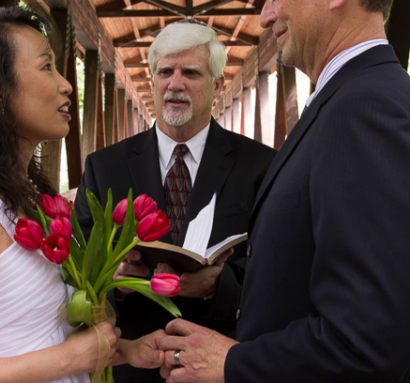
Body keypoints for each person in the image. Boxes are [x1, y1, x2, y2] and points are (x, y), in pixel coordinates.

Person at [158, 0, 410, 382]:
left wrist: (233, 363)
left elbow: (368, 337)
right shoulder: (349, 97)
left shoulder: (365, 106)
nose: (265, 16)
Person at [0, 7, 163, 383]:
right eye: (47, 67)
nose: (67, 85)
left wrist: (131, 350)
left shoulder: (28, 196)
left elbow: (45, 331)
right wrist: (67, 359)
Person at [74, 22, 276, 382]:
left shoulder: (260, 165)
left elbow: (275, 266)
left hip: (222, 361)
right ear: (152, 80)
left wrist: (217, 286)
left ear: (215, 84)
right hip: (133, 364)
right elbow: (79, 266)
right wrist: (113, 282)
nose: (175, 83)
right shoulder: (104, 167)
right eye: (165, 71)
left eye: (191, 73)